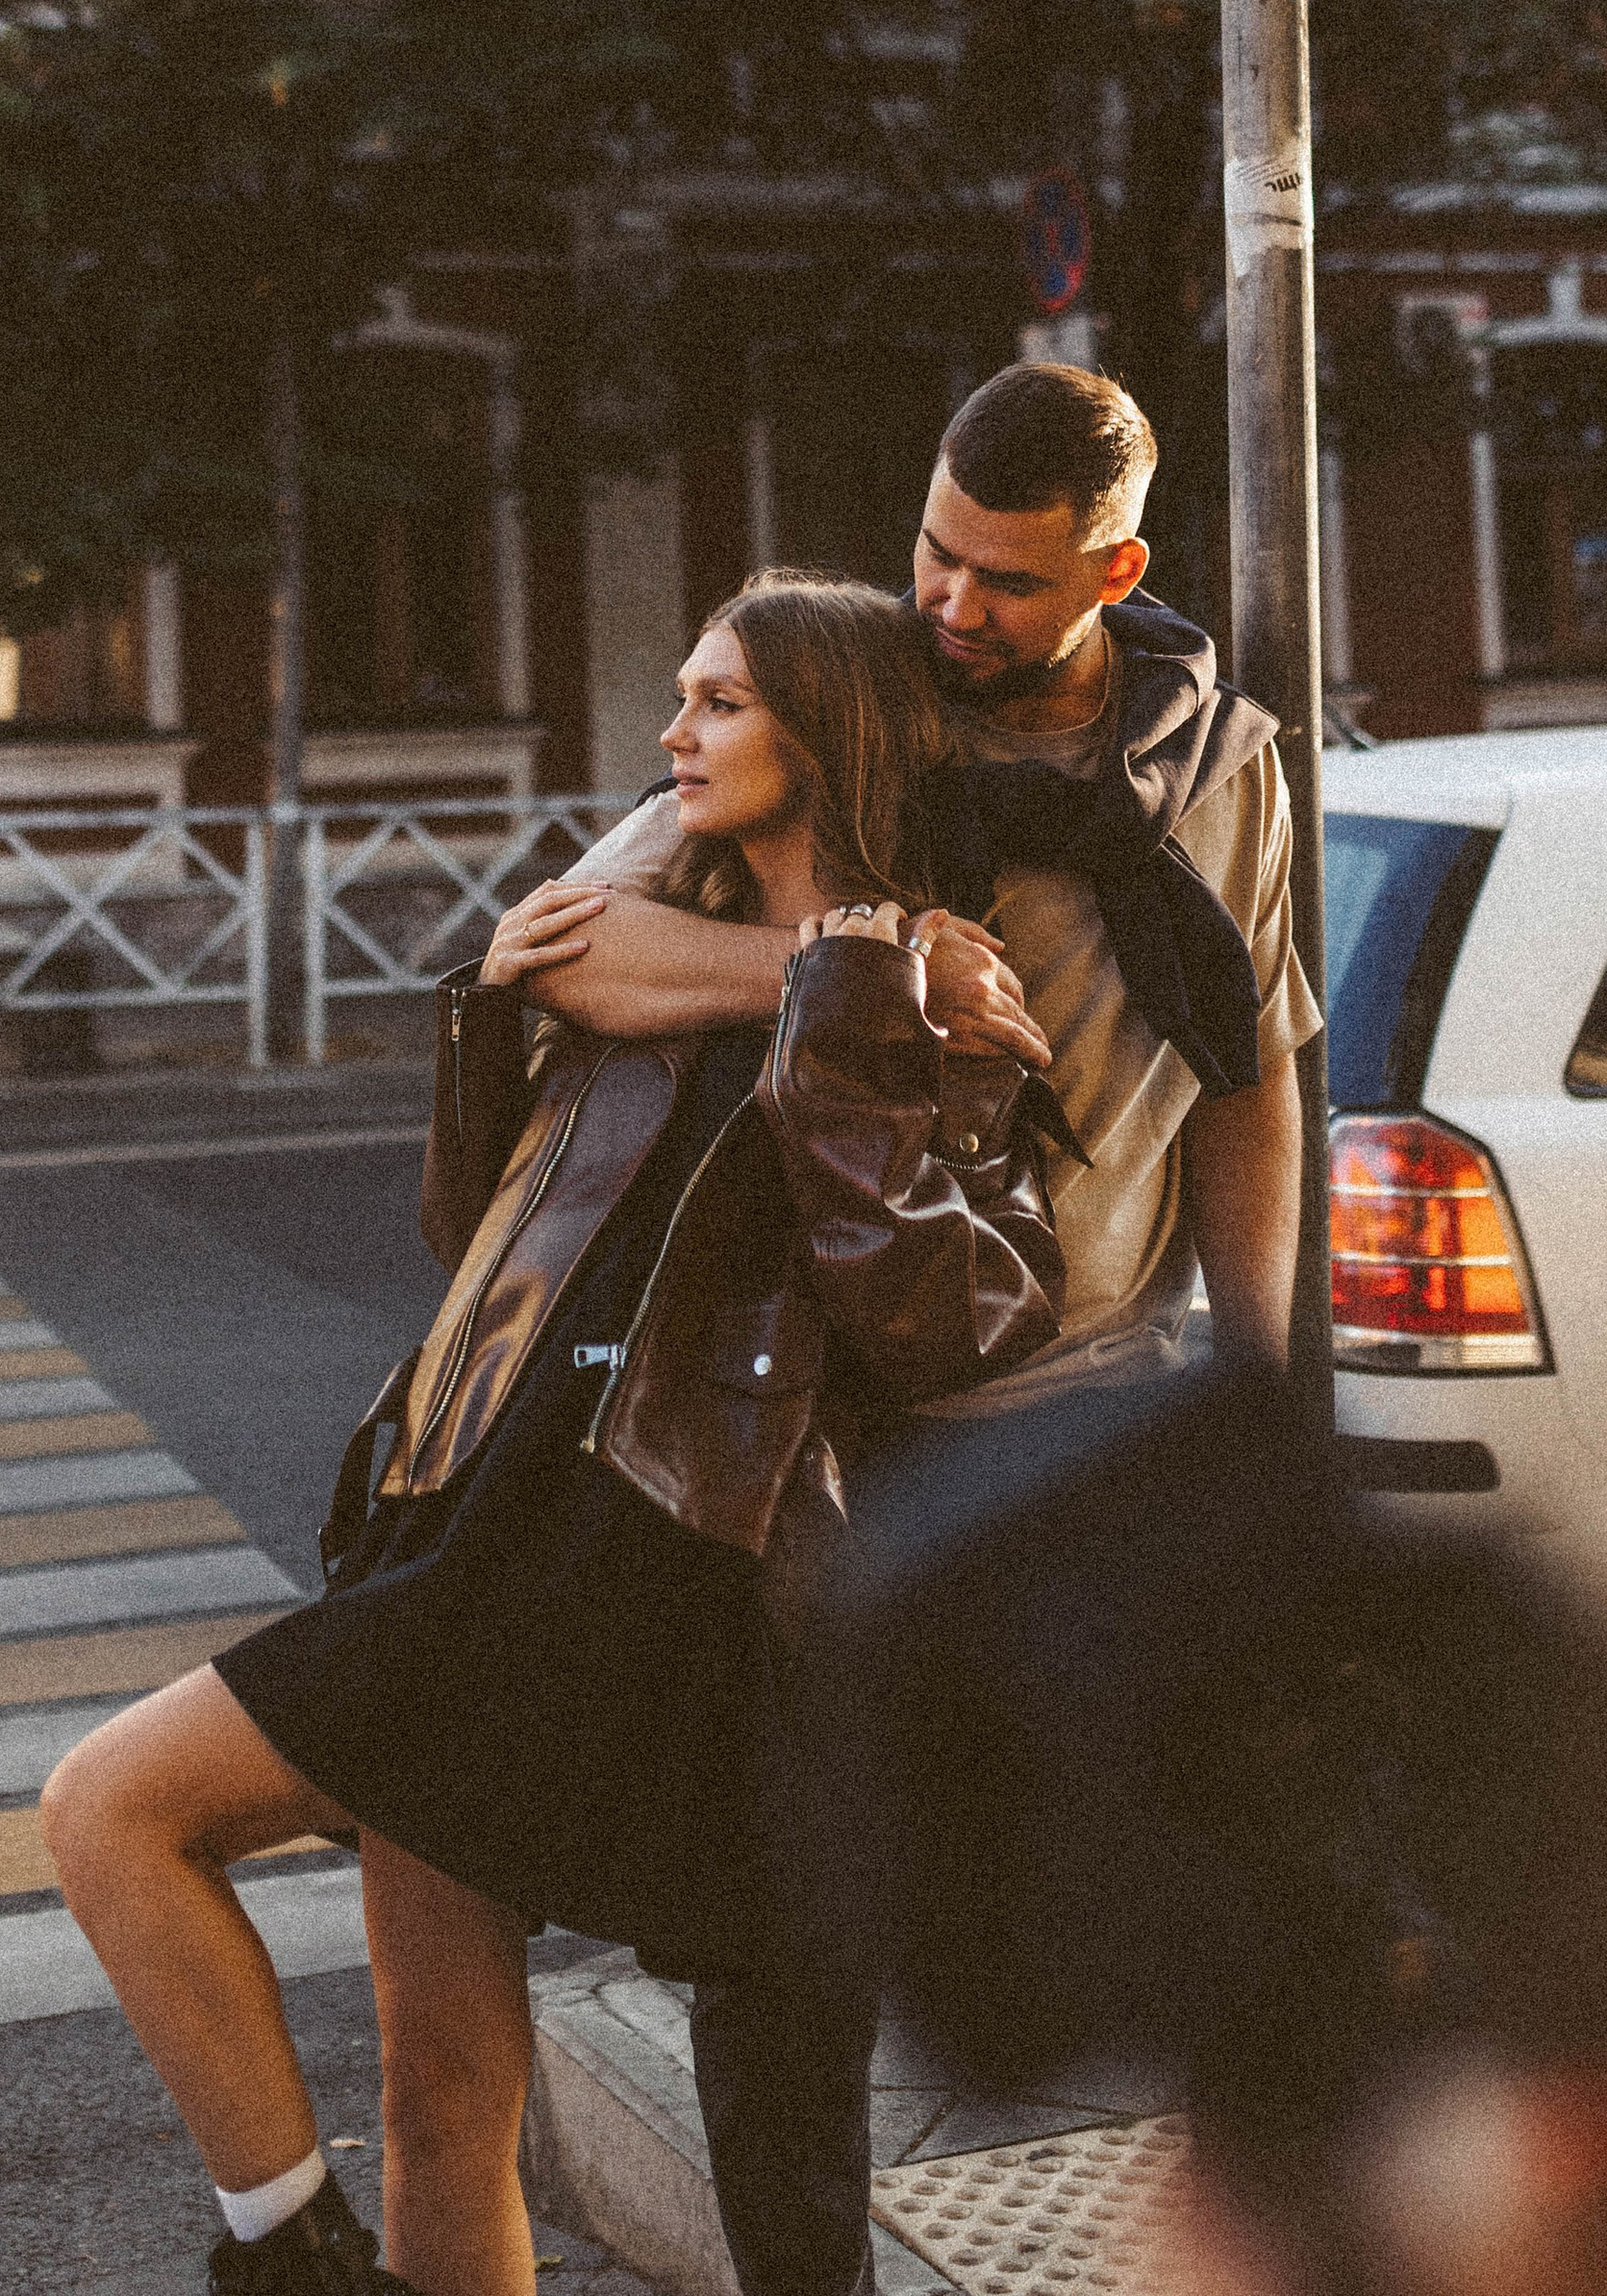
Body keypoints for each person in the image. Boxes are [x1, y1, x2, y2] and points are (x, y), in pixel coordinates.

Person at [39, 574, 1069, 2296]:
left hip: (661, 1573)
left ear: (828, 731)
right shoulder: (631, 942)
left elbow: (938, 1318)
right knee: (439, 2096)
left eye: (722, 702)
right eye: (683, 695)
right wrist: (499, 1020)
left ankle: (285, 2263)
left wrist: (848, 1004)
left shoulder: (928, 1004)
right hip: (475, 1526)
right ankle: (299, 2248)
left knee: (111, 1806)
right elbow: (478, 1237)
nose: (675, 733)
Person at [520, 359, 1319, 2296]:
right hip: (833, 1413)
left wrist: (1263, 1387)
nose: (951, 605)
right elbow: (564, 947)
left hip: (1091, 1399)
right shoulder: (853, 697)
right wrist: (852, 960)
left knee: (1201, 1879)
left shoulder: (1222, 768)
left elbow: (1248, 1079)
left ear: (1114, 570)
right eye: (934, 554)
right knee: (785, 1916)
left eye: (1005, 580)